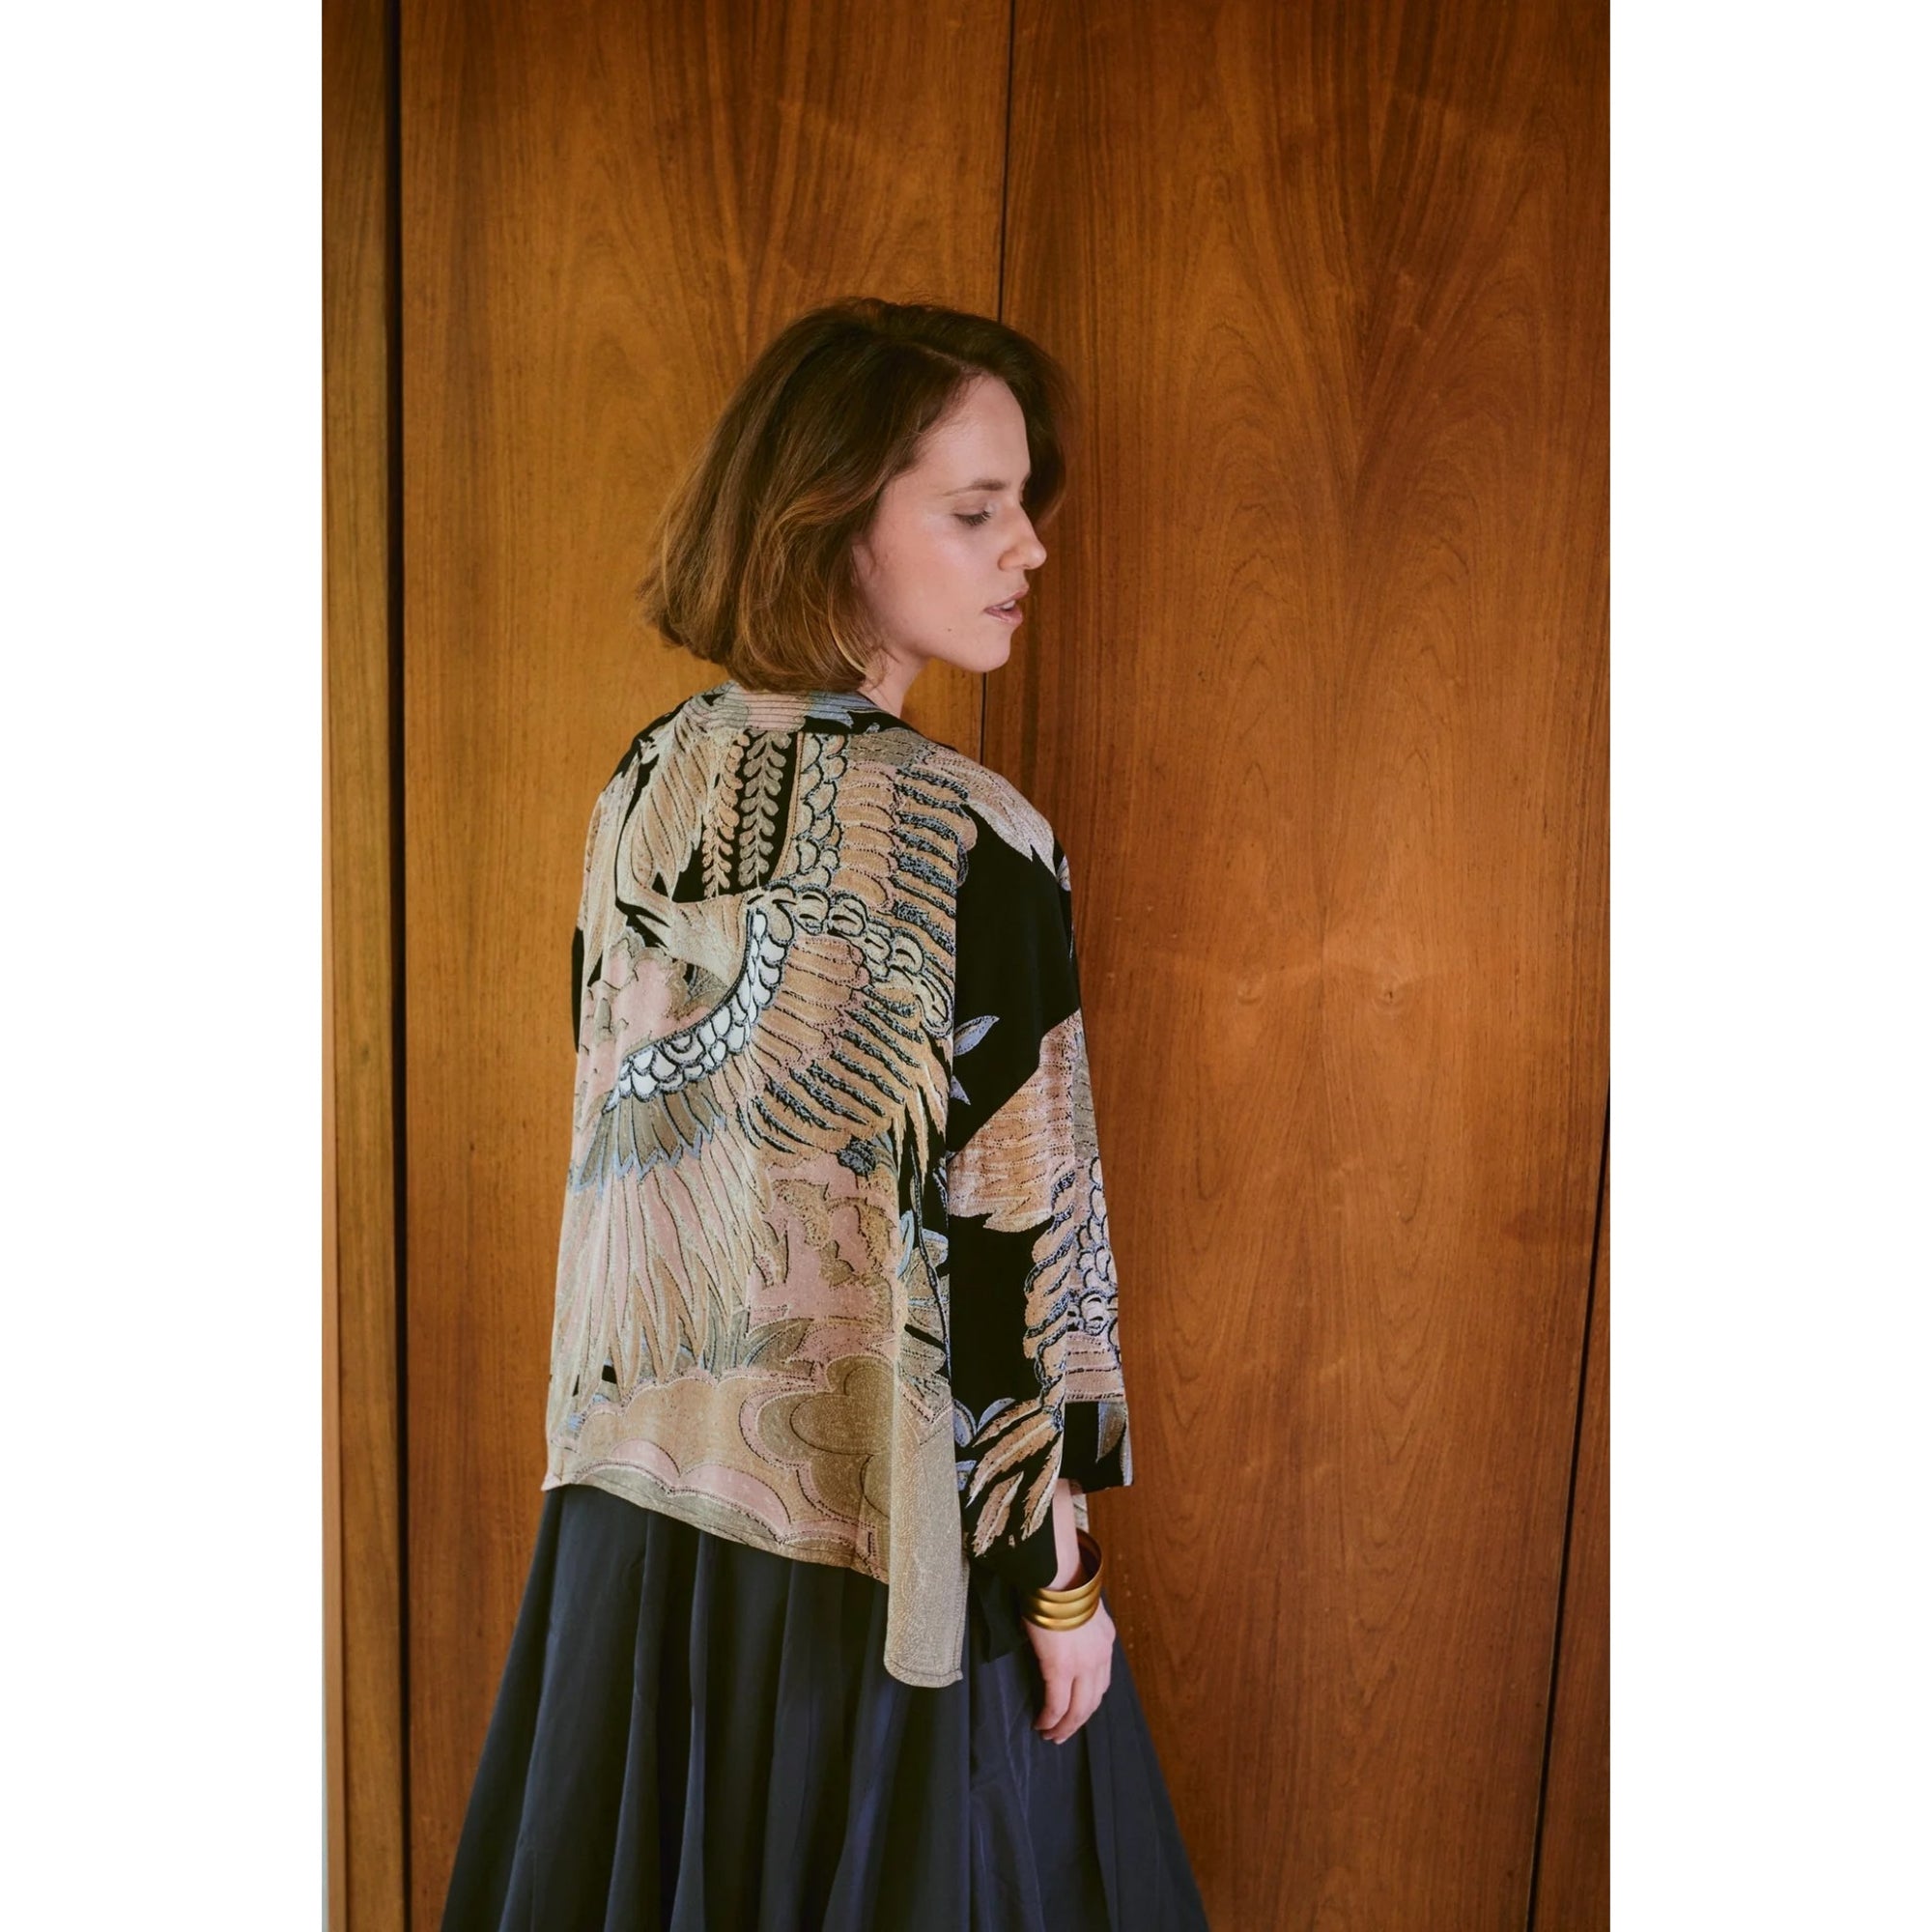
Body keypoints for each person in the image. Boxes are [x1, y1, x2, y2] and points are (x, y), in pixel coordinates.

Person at [439, 298, 1209, 1930]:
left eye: (1024, 507)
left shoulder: (640, 782)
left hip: (642, 1522)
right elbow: (1026, 1245)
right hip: (880, 1543)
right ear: (833, 517)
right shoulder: (981, 837)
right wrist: (1062, 1587)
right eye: (975, 509)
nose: (1029, 552)